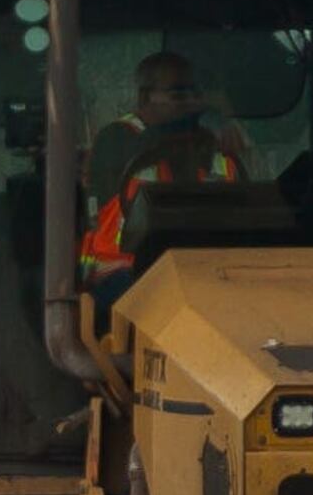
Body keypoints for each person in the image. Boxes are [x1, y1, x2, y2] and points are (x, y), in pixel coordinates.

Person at [79, 50, 241, 312]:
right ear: (145, 97)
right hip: (121, 272)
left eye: (194, 94)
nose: (189, 103)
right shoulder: (118, 139)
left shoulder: (208, 144)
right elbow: (156, 142)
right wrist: (210, 116)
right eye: (178, 95)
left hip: (197, 267)